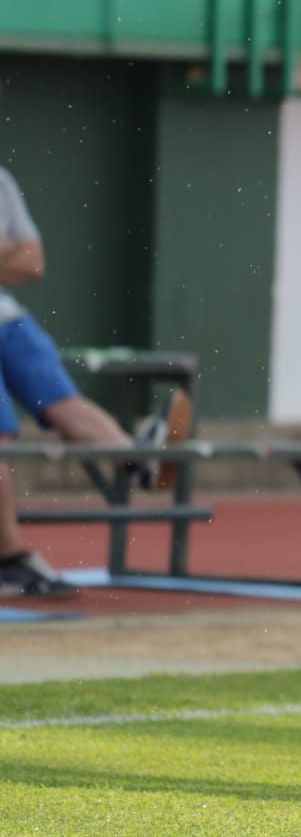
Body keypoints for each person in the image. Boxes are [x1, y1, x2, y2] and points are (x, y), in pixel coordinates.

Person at [0, 165, 193, 600]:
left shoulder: (3, 180)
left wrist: (13, 256)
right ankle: (10, 559)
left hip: (8, 320)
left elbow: (33, 262)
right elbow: (17, 258)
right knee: (1, 436)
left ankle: (138, 460)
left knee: (64, 403)